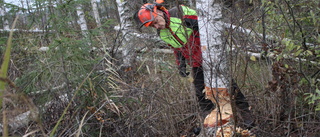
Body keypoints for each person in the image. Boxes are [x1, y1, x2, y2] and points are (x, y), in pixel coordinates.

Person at [135, 1, 254, 129]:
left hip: (210, 56)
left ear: (159, 12)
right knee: (201, 94)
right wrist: (181, 64)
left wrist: (196, 25)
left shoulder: (179, 12)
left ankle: (247, 114)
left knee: (227, 85)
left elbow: (208, 22)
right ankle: (211, 123)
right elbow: (177, 48)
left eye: (156, 22)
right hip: (195, 63)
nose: (157, 26)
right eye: (153, 25)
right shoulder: (162, 33)